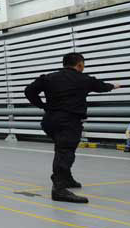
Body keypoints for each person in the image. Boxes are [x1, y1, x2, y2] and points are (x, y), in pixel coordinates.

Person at [24, 52, 119, 204]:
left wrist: (43, 105)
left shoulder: (48, 78)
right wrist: (113, 86)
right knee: (65, 152)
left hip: (50, 121)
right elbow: (101, 86)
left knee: (62, 149)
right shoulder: (84, 79)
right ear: (80, 65)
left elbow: (29, 91)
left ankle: (66, 179)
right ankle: (59, 189)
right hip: (69, 122)